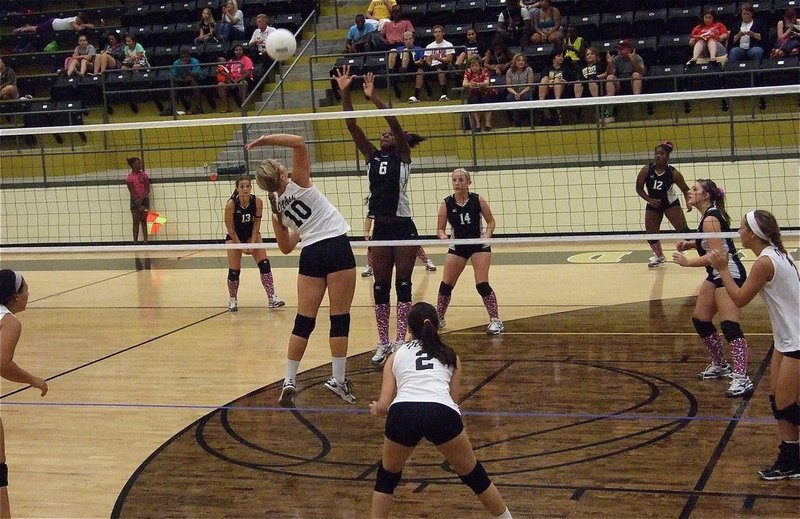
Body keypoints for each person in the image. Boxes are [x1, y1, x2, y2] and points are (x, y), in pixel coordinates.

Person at [368, 302, 512, 519]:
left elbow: (384, 404)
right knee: (474, 475)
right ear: (437, 327)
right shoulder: (450, 355)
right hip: (441, 411)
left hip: (404, 412)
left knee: (387, 477)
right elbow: (453, 401)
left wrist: (376, 410)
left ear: (408, 328)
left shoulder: (395, 356)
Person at [245, 134, 356, 407]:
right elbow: (299, 141)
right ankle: (338, 380)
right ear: (282, 173)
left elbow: (285, 247)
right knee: (339, 317)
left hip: (311, 255)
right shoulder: (300, 182)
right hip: (336, 246)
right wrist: (262, 140)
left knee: (304, 321)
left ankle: (289, 380)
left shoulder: (276, 209)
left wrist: (296, 228)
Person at [336, 66, 426, 365]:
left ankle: (401, 339)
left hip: (403, 227)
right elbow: (352, 127)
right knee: (379, 286)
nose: (384, 134)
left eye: (388, 134)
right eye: (382, 134)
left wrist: (374, 98)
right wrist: (345, 92)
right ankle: (383, 341)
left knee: (403, 285)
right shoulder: (372, 156)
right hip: (380, 228)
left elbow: (395, 124)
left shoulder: (403, 155)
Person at [707, 210, 799, 480]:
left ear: (752, 234)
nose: (738, 233)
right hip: (786, 339)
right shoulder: (777, 254)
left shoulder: (765, 262)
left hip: (796, 339)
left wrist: (723, 269)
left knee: (787, 405)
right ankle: (791, 460)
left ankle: (792, 460)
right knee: (777, 401)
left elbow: (739, 299)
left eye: (741, 229)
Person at [671, 179, 753, 398]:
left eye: (695, 189)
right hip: (715, 274)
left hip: (729, 273)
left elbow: (716, 256)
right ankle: (721, 364)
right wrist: (691, 245)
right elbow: (711, 244)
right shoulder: (708, 216)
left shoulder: (710, 219)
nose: (690, 191)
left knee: (730, 326)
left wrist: (688, 262)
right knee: (701, 320)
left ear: (706, 195)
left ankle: (742, 378)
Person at [0, 270, 49, 519]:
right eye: (26, 290)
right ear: (15, 298)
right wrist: (32, 379)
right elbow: (2, 363)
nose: (29, 294)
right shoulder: (9, 322)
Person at [436, 169, 503, 335]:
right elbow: (440, 228)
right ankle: (439, 318)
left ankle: (495, 320)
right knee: (446, 285)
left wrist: (486, 236)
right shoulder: (446, 203)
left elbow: (491, 222)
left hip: (478, 245)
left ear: (468, 182)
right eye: (454, 180)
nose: (457, 183)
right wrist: (444, 237)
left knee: (481, 284)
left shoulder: (477, 199)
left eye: (461, 180)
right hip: (458, 246)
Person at [223, 175, 284, 312]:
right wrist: (240, 246)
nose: (245, 189)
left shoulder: (257, 202)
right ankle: (233, 299)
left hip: (252, 234)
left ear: (251, 187)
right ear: (237, 188)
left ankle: (272, 298)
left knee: (265, 264)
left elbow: (257, 224)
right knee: (234, 271)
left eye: (247, 186)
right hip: (234, 237)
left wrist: (253, 241)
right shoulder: (231, 204)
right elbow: (230, 228)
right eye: (242, 186)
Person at [635, 141, 691, 268]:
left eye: (661, 153)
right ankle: (659, 256)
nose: (658, 156)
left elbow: (685, 189)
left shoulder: (673, 173)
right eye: (656, 154)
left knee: (683, 230)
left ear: (667, 156)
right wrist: (649, 200)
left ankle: (700, 250)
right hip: (653, 203)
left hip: (670, 203)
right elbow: (639, 188)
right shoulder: (646, 169)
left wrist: (689, 202)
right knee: (650, 233)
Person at [363, 217, 437, 277]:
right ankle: (370, 266)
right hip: (383, 226)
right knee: (374, 245)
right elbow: (369, 217)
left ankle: (426, 261)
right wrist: (366, 232)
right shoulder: (376, 201)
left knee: (414, 244)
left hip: (401, 225)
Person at [538, 49, 573, 125]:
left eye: (562, 56)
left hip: (562, 89)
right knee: (544, 79)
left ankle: (557, 106)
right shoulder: (547, 69)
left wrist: (559, 81)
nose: (561, 58)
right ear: (553, 58)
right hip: (548, 89)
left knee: (557, 80)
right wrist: (550, 82)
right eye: (558, 56)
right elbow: (543, 80)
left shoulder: (566, 69)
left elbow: (569, 81)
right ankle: (541, 106)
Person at [216, 44, 253, 112]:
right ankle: (227, 107)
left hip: (244, 79)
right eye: (236, 50)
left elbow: (248, 73)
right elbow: (228, 72)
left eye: (240, 50)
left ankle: (243, 106)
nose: (238, 51)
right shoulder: (230, 61)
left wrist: (239, 79)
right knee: (220, 84)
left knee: (243, 83)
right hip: (232, 80)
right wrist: (231, 80)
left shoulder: (247, 60)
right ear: (233, 51)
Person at [423, 25, 456, 102]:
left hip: (444, 64)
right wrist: (429, 61)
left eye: (439, 32)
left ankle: (444, 94)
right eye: (435, 32)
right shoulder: (429, 46)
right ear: (433, 34)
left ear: (443, 33)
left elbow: (449, 59)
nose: (437, 33)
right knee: (421, 71)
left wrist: (438, 58)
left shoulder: (448, 44)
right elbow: (427, 58)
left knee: (440, 69)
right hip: (433, 65)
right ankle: (424, 95)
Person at [462, 56, 495, 131]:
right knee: (472, 100)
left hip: (485, 92)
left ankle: (487, 123)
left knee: (487, 99)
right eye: (472, 66)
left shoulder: (485, 71)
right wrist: (469, 84)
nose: (474, 67)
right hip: (474, 93)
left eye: (476, 65)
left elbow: (486, 83)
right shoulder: (468, 71)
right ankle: (477, 124)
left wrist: (477, 84)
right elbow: (464, 84)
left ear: (480, 65)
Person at [125, 157, 150, 245]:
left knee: (144, 220)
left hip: (144, 200)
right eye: (138, 163)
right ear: (133, 165)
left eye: (140, 163)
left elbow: (147, 189)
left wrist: (141, 199)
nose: (140, 165)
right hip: (134, 201)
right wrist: (137, 200)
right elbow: (131, 191)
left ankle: (145, 241)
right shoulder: (129, 178)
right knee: (135, 221)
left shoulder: (144, 175)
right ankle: (135, 242)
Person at [505, 52, 534, 127]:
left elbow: (530, 85)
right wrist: (515, 93)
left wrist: (520, 94)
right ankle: (515, 121)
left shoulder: (529, 70)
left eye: (522, 60)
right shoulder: (509, 71)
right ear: (515, 62)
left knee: (525, 98)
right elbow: (508, 87)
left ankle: (525, 121)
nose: (521, 62)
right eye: (518, 60)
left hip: (526, 91)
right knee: (509, 98)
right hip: (514, 92)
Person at [170, 49, 202, 115]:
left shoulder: (194, 61)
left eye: (186, 57)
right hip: (182, 80)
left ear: (189, 56)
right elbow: (173, 77)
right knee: (172, 87)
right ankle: (172, 110)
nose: (184, 58)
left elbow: (195, 75)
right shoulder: (177, 63)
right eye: (182, 57)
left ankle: (194, 108)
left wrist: (185, 68)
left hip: (194, 80)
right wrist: (182, 80)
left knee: (194, 84)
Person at [13, 14, 94, 35]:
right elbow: (78, 29)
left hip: (54, 25)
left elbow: (92, 26)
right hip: (52, 24)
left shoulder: (78, 21)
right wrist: (83, 26)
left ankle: (27, 27)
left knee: (37, 27)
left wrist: (85, 25)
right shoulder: (73, 21)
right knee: (36, 29)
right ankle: (23, 29)